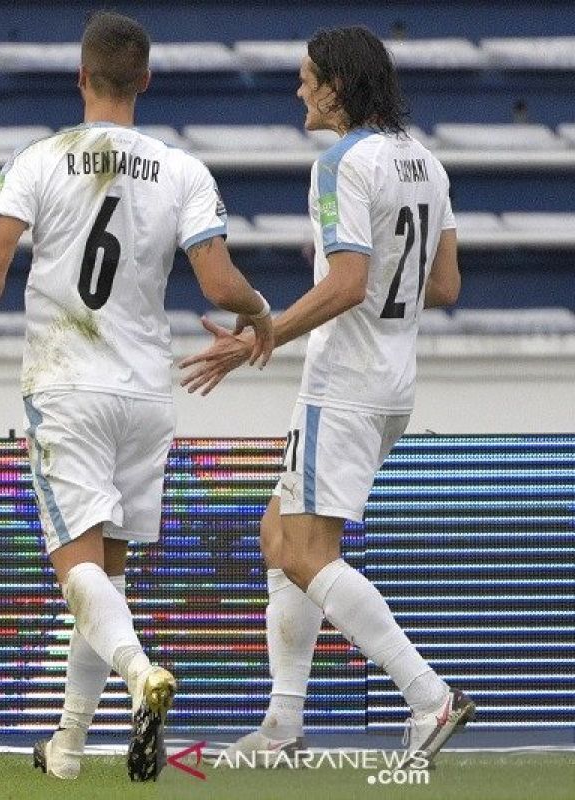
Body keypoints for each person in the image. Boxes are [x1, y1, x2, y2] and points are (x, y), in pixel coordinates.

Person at [0, 11, 274, 783]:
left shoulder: (39, 159)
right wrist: (260, 317)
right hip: (146, 395)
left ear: (82, 77)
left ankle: (137, 673)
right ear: (146, 80)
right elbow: (221, 285)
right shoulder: (183, 169)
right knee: (106, 581)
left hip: (66, 385)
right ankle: (65, 748)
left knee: (75, 572)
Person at [178, 26, 469, 766]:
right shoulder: (428, 164)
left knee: (307, 552)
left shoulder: (340, 164)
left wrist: (259, 336)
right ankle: (282, 726)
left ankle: (428, 696)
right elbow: (444, 286)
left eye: (307, 77)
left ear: (337, 85)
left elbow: (345, 283)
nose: (298, 90)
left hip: (342, 385)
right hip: (393, 383)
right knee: (279, 537)